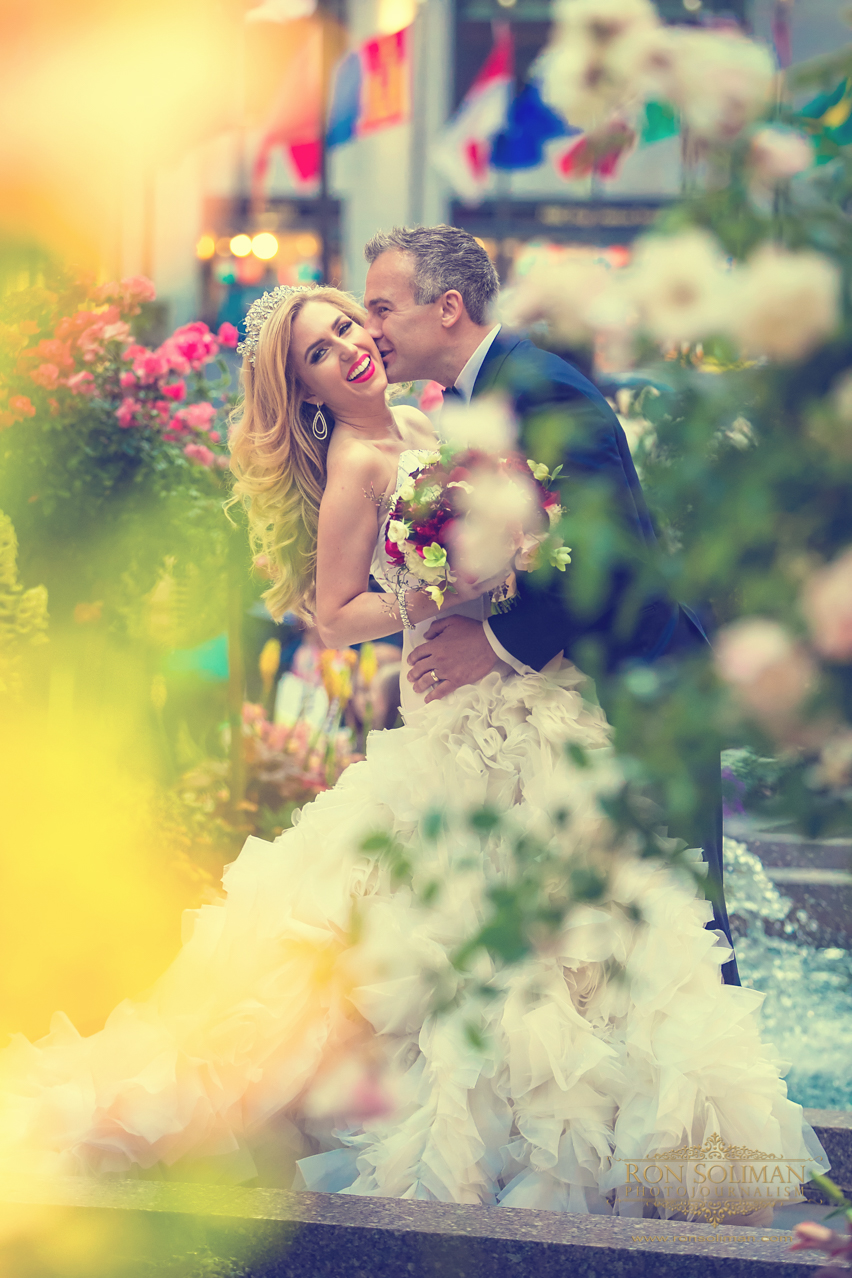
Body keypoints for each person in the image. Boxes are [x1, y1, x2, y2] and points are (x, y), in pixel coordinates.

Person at [0, 284, 827, 1216]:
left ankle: (593, 1122)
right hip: (460, 709)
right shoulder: (356, 463)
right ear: (304, 391)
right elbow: (332, 612)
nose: (350, 347)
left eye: (349, 324)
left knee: (583, 905)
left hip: (532, 692)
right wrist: (440, 596)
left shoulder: (421, 418)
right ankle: (454, 1130)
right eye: (320, 352)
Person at [363, 225, 739, 986]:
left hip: (648, 686)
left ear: (447, 307)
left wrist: (493, 645)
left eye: (380, 307)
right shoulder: (478, 396)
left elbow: (604, 550)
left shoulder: (540, 389)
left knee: (682, 922)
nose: (370, 329)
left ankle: (719, 1104)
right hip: (582, 690)